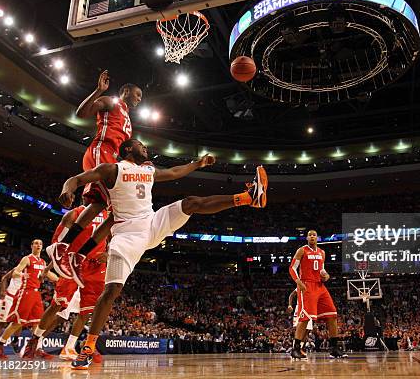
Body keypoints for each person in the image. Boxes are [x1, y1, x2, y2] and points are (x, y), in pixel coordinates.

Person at [57, 138, 268, 369]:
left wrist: (198, 164)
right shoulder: (112, 169)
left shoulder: (148, 170)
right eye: (140, 144)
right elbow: (76, 179)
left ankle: (248, 198)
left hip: (152, 222)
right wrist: (67, 191)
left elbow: (175, 171)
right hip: (127, 235)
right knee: (111, 291)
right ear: (128, 149)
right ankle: (87, 347)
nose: (144, 146)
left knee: (190, 203)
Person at [48, 70, 141, 285]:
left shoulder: (128, 117)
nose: (138, 99)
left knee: (112, 211)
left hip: (114, 159)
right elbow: (81, 114)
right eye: (137, 94)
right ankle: (62, 247)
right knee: (103, 205)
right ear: (125, 91)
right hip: (101, 150)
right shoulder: (111, 101)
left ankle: (78, 255)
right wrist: (98, 90)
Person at [22, 201, 109, 361]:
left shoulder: (108, 214)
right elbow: (60, 246)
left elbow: (112, 237)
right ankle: (34, 340)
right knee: (58, 305)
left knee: (87, 311)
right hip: (73, 262)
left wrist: (108, 253)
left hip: (95, 266)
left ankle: (82, 348)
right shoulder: (75, 214)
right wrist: (50, 267)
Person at [0, 239, 59, 359]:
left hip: (36, 294)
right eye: (36, 243)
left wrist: (63, 279)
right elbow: (15, 272)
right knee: (17, 323)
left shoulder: (42, 262)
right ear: (31, 246)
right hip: (25, 293)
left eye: (40, 244)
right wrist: (21, 274)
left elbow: (50, 275)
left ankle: (37, 349)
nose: (38, 245)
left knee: (38, 323)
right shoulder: (27, 258)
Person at [289, 230, 346, 360]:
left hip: (320, 286)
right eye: (310, 235)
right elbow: (292, 268)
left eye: (314, 235)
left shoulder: (322, 252)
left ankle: (334, 349)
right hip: (306, 285)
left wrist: (326, 275)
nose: (312, 236)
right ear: (307, 238)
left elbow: (321, 269)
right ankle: (296, 349)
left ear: (317, 238)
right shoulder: (302, 250)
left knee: (332, 315)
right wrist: (298, 282)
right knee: (305, 318)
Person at [0, 268, 23, 354]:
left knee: (19, 322)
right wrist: (2, 290)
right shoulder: (17, 269)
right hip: (8, 297)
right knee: (3, 322)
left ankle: (15, 341)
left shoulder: (32, 273)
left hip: (20, 299)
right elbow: (4, 278)